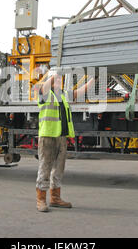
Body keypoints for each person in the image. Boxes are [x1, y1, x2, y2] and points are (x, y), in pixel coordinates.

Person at [35, 67, 94, 212]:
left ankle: (55, 198)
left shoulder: (62, 95)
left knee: (58, 169)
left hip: (61, 137)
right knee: (45, 168)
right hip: (48, 136)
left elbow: (79, 92)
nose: (59, 80)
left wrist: (93, 79)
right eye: (56, 78)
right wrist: (54, 75)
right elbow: (45, 86)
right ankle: (41, 200)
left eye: (60, 79)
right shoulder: (44, 93)